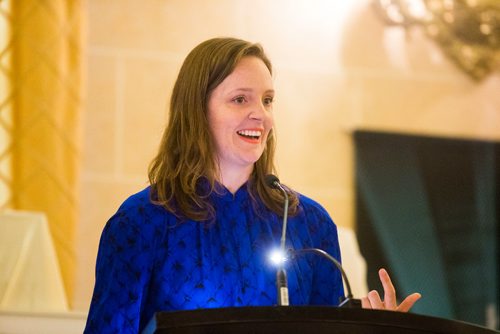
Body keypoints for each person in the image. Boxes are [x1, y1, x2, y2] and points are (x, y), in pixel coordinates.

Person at [84, 37, 421, 333]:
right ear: (197, 111)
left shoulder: (310, 223)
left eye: (268, 100)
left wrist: (376, 331)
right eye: (240, 99)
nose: (261, 114)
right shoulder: (140, 222)